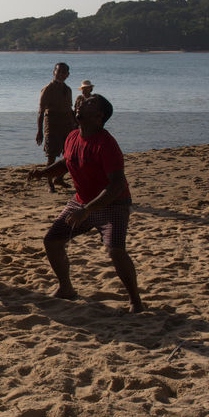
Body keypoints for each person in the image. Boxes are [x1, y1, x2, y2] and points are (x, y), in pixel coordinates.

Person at [29, 94, 143, 313]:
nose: (81, 103)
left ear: (100, 116)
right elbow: (67, 162)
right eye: (82, 102)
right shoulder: (72, 136)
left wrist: (88, 210)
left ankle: (135, 301)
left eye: (89, 103)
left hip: (112, 204)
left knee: (115, 251)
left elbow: (117, 184)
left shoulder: (106, 144)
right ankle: (66, 288)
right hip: (81, 202)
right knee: (52, 241)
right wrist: (43, 173)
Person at [36, 62, 76, 193]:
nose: (61, 75)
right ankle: (50, 184)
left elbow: (70, 110)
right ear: (54, 72)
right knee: (51, 156)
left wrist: (76, 126)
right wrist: (39, 131)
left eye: (64, 73)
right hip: (52, 125)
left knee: (69, 155)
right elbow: (41, 112)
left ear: (68, 75)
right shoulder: (48, 89)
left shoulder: (68, 89)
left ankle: (59, 178)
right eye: (59, 72)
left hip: (67, 125)